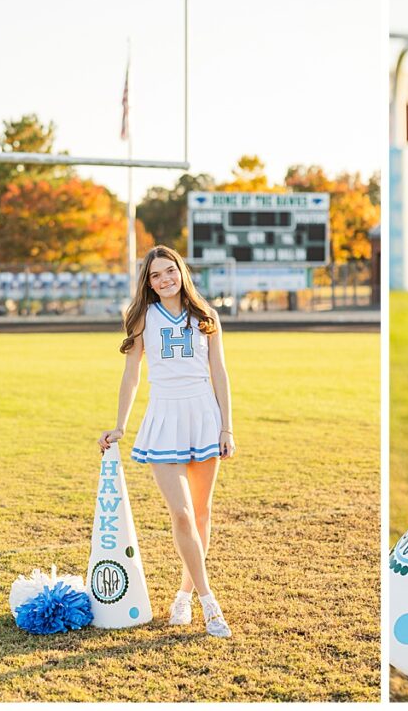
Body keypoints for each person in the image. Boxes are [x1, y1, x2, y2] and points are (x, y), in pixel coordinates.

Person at [98, 245, 236, 638]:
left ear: (181, 272)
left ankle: (184, 594)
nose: (164, 280)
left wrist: (227, 427)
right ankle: (210, 603)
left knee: (202, 512)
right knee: (181, 515)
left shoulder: (207, 315)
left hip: (203, 417)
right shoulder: (143, 317)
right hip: (164, 418)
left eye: (169, 272)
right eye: (155, 275)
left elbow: (219, 372)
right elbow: (131, 375)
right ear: (149, 282)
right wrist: (121, 425)